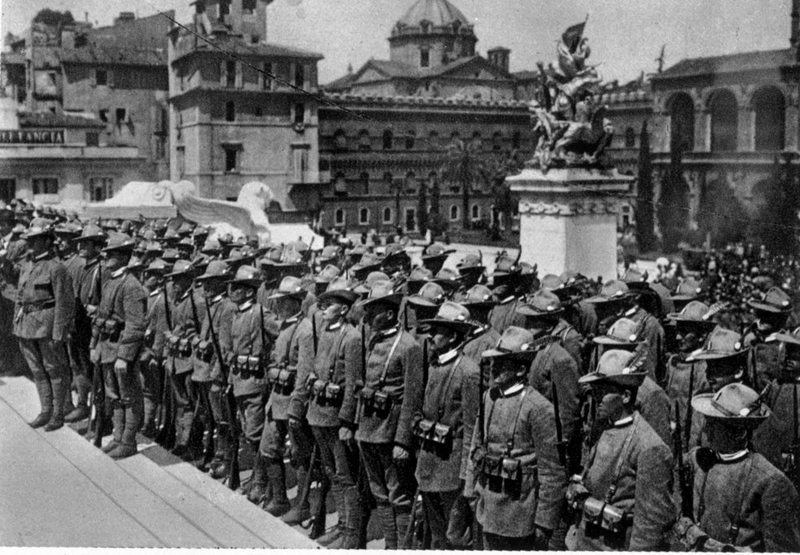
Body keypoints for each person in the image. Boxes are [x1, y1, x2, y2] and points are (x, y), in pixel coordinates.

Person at [468, 326, 566, 550]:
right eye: (494, 363)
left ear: (521, 370)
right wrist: (471, 492)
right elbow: (476, 444)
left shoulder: (539, 409)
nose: (494, 369)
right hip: (487, 505)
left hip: (520, 512)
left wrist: (544, 522)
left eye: (503, 364)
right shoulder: (488, 398)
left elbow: (552, 471)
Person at [567, 349, 675, 550]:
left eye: (603, 392)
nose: (596, 398)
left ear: (625, 396)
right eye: (595, 391)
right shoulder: (604, 427)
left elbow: (651, 525)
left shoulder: (650, 447)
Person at [675, 383, 800, 552]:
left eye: (714, 425)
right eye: (707, 422)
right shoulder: (698, 459)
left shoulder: (770, 482)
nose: (706, 430)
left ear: (740, 433)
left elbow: (782, 549)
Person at [355, 279, 423, 549]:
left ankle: (401, 549)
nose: (367, 316)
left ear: (389, 312)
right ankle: (389, 545)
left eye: (373, 310)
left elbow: (412, 397)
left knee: (398, 495)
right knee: (379, 493)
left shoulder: (409, 346)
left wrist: (402, 441)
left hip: (391, 432)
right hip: (369, 428)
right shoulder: (373, 340)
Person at [414, 302, 481, 549]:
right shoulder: (435, 364)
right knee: (435, 530)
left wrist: (467, 474)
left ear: (453, 336)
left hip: (453, 468)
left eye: (438, 330)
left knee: (456, 535)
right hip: (429, 461)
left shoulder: (468, 371)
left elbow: (473, 427)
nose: (431, 336)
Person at [301, 281, 363, 548]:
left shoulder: (352, 338)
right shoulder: (326, 331)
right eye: (323, 303)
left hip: (336, 417)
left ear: (344, 309)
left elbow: (353, 384)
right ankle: (340, 526)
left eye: (330, 304)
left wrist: (347, 421)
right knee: (330, 471)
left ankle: (351, 533)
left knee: (345, 476)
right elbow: (315, 368)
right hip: (318, 412)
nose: (323, 308)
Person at [259, 277, 314, 518]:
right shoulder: (285, 326)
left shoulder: (305, 330)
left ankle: (301, 506)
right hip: (277, 398)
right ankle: (280, 498)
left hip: (292, 400)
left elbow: (303, 374)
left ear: (295, 302)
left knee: (299, 455)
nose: (278, 306)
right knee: (268, 447)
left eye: (282, 302)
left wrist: (297, 408)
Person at [14, 218, 76, 431]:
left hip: (47, 325)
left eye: (36, 239)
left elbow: (64, 302)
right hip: (26, 325)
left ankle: (58, 413)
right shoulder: (27, 266)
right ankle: (45, 410)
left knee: (54, 370)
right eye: (29, 239)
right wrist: (17, 323)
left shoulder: (56, 268)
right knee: (37, 371)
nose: (30, 243)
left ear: (48, 241)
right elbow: (20, 297)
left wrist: (59, 331)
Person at [89, 232, 146, 459]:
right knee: (113, 395)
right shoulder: (111, 280)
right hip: (106, 347)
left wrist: (124, 356)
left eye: (113, 254)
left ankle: (128, 441)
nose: (107, 257)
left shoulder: (131, 285)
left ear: (125, 256)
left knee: (129, 396)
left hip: (120, 349)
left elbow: (135, 325)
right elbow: (101, 316)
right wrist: (94, 344)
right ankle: (118, 436)